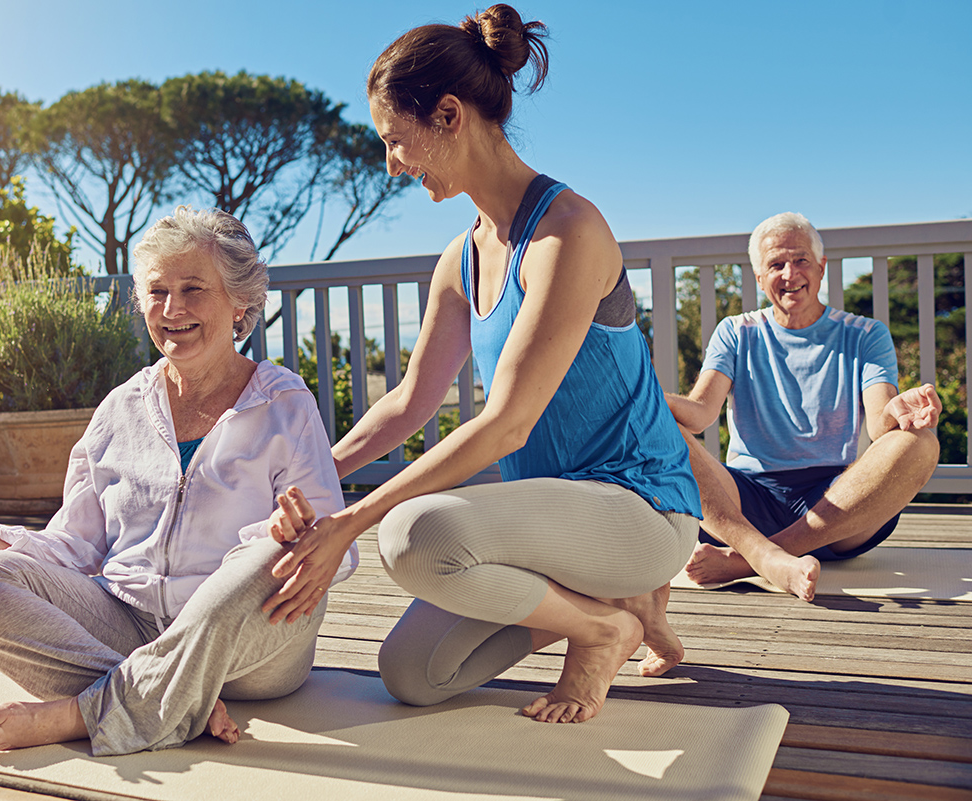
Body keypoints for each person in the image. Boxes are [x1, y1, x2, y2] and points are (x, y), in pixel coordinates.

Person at [260, 4, 702, 726]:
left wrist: (352, 518)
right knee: (415, 674)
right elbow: (409, 403)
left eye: (396, 141)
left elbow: (507, 425)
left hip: (638, 510)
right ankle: (611, 610)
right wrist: (311, 475)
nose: (391, 163)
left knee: (410, 534)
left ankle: (600, 629)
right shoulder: (460, 260)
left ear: (449, 114)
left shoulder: (568, 231)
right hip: (547, 521)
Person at [0, 207, 357, 756]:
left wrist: (294, 535)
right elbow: (73, 544)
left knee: (267, 554)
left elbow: (339, 549)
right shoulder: (121, 408)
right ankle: (167, 700)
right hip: (126, 620)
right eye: (157, 291)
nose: (173, 309)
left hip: (250, 646)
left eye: (194, 289)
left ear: (239, 302)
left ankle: (86, 711)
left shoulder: (285, 403)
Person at [665, 212, 942, 602]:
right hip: (747, 501)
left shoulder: (865, 334)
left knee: (921, 444)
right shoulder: (736, 332)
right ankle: (767, 554)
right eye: (775, 265)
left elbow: (882, 426)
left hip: (837, 505)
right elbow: (698, 413)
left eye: (800, 261)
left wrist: (900, 409)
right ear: (760, 278)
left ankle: (750, 561)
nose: (789, 273)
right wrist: (650, 398)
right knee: (663, 430)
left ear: (821, 267)